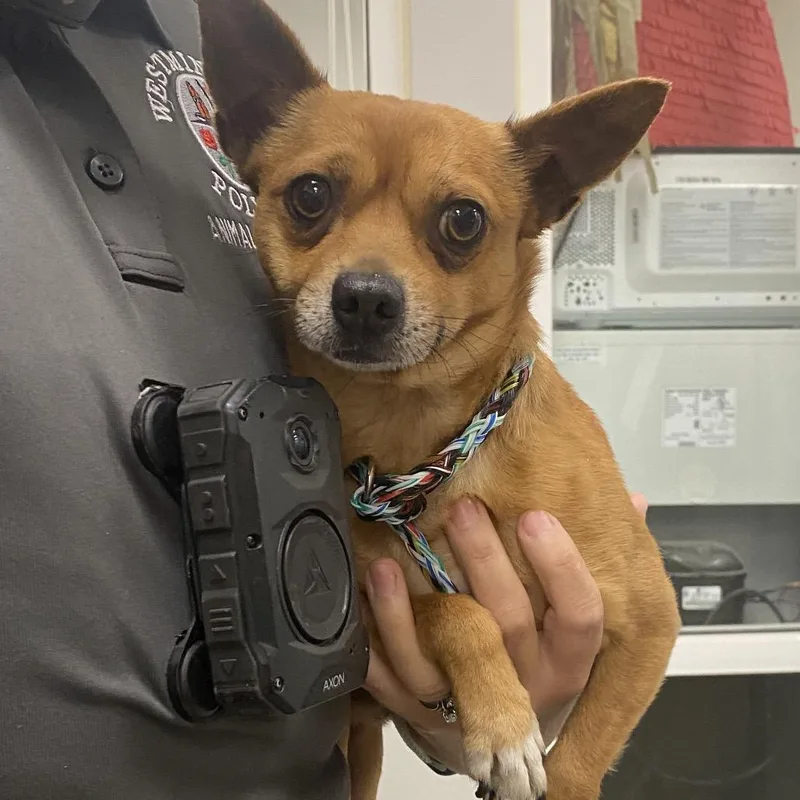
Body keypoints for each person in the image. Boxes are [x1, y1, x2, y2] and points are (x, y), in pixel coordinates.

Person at [0, 0, 625, 796]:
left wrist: (458, 716)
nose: (369, 278)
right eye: (313, 202)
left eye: (458, 224)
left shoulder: (186, 39)